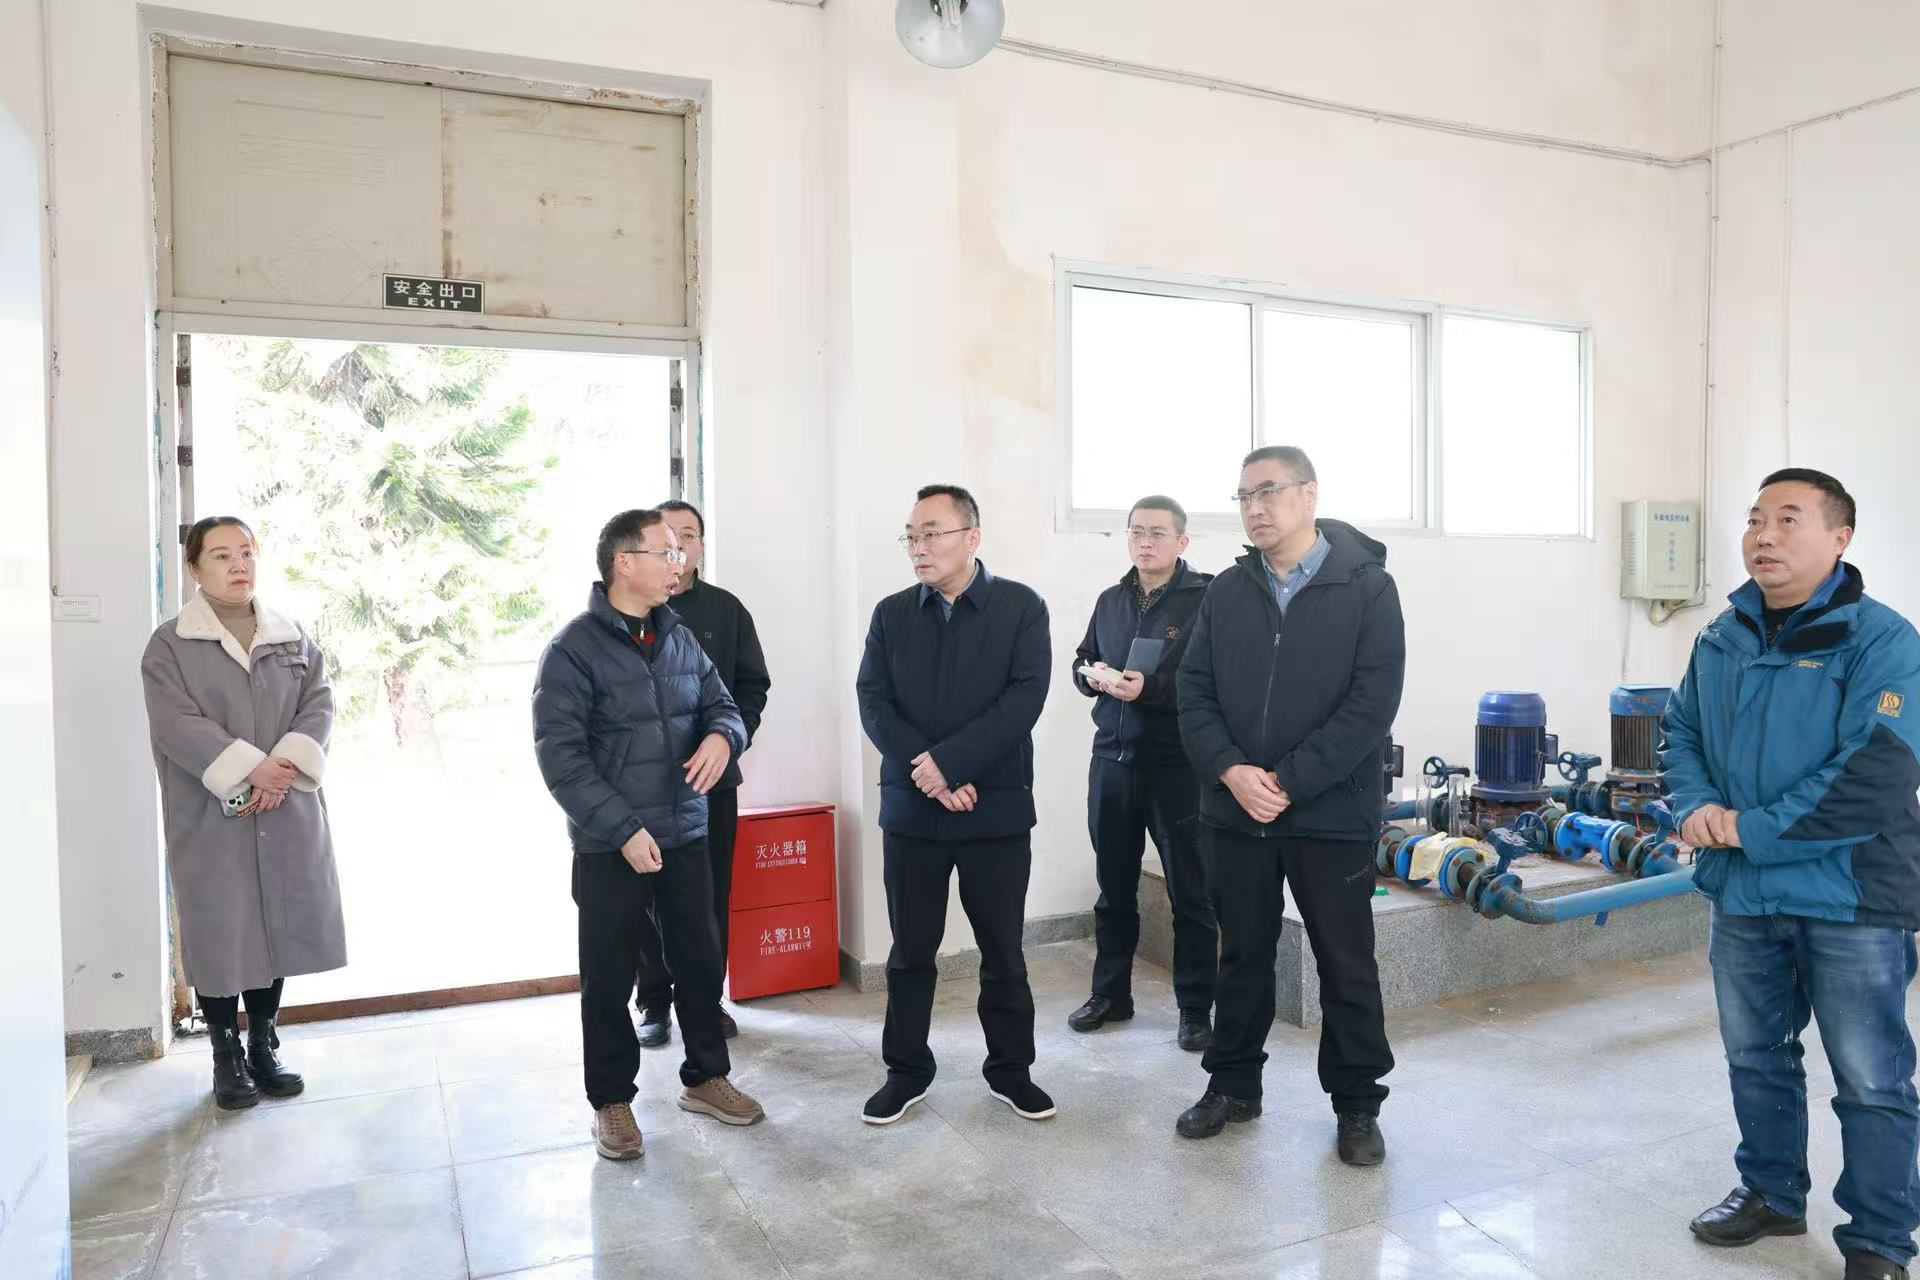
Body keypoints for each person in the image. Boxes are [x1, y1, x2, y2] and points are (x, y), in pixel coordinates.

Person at [1665, 469, 1920, 1280]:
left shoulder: (1883, 641)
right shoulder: (1723, 637)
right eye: (1755, 519)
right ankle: (1772, 1194)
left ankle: (1879, 1239)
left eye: (1788, 519)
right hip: (1744, 893)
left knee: (1871, 1076)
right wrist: (1696, 806)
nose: (1764, 536)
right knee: (1756, 1054)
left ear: (1840, 538)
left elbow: (1873, 777)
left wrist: (1747, 829)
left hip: (1852, 898)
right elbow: (1680, 732)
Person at [1174, 446, 1405, 1161]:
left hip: (1330, 813)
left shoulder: (1368, 588)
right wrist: (1232, 771)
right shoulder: (1227, 591)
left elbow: (1371, 704)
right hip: (1235, 811)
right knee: (1242, 954)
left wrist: (1289, 782)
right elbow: (1193, 691)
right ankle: (1233, 1085)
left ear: (1309, 495)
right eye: (1244, 496)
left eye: (1268, 491)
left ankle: (1357, 1105)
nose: (1255, 508)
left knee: (1345, 961)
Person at [533, 508, 762, 1161]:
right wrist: (622, 827)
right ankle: (611, 1102)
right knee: (609, 978)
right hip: (612, 844)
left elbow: (723, 706)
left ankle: (707, 1077)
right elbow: (562, 759)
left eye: (680, 551)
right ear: (623, 562)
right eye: (665, 551)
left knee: (699, 960)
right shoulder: (573, 650)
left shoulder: (679, 637)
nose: (677, 563)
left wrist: (723, 737)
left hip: (685, 829)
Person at [854, 484, 1055, 1126]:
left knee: (1003, 950)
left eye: (932, 533)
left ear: (972, 537)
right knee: (911, 951)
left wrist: (954, 764)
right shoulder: (891, 614)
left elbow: (1023, 700)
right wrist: (933, 773)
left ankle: (1011, 1070)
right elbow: (874, 702)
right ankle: (906, 1070)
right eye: (911, 535)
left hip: (994, 810)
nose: (919, 547)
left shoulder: (1021, 607)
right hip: (914, 812)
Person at [141, 516, 344, 1110]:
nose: (238, 565)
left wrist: (284, 769)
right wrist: (251, 768)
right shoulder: (169, 645)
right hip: (213, 814)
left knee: (275, 923)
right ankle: (225, 1054)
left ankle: (263, 1045)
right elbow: (176, 723)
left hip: (285, 805)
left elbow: (318, 704)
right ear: (194, 567)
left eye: (247, 552)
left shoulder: (291, 637)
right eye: (222, 555)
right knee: (221, 929)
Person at [1067, 495, 1218, 1050]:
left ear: (1182, 541)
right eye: (1136, 531)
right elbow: (1082, 656)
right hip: (1112, 760)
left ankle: (1195, 1007)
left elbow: (1214, 682)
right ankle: (1111, 995)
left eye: (1157, 532)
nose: (1145, 542)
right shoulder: (1111, 599)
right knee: (1113, 891)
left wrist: (1149, 689)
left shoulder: (1206, 598)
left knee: (1191, 894)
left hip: (1177, 766)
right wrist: (1090, 675)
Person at [633, 500, 771, 1047]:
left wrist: (729, 741)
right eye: (669, 536)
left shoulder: (725, 609)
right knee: (646, 896)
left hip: (712, 784)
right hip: (644, 787)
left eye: (689, 535)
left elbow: (752, 687)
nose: (679, 546)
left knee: (710, 896)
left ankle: (707, 1001)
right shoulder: (631, 610)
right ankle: (654, 1003)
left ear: (701, 546)